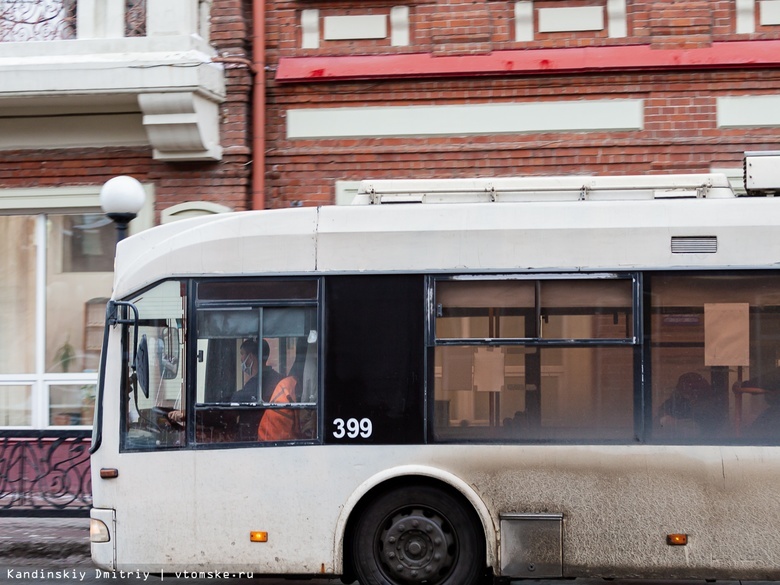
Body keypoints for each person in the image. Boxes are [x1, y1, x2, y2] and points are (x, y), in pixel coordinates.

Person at [657, 372, 724, 436]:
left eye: (695, 389)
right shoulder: (675, 402)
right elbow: (656, 421)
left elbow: (707, 432)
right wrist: (665, 419)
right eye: (687, 389)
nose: (692, 393)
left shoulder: (711, 409)